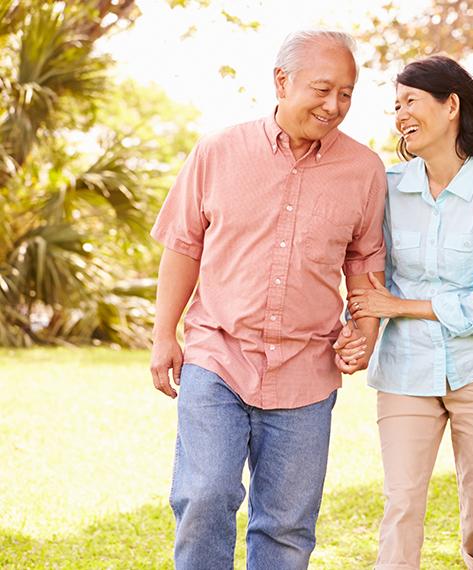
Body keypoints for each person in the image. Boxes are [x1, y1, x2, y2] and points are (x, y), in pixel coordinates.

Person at [148, 30, 386, 568]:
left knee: (286, 526)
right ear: (281, 81)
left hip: (307, 368)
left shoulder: (365, 170)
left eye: (346, 94)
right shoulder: (218, 150)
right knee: (205, 496)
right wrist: (165, 336)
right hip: (218, 355)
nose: (334, 106)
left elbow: (364, 262)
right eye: (322, 90)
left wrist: (365, 332)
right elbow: (183, 246)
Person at [334, 55, 473, 570]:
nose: (400, 115)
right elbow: (363, 268)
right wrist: (358, 328)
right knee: (400, 509)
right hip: (404, 371)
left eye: (411, 102)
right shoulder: (389, 188)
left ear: (451, 106)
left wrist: (398, 305)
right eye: (396, 105)